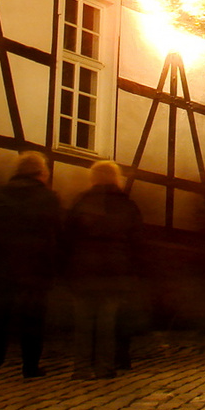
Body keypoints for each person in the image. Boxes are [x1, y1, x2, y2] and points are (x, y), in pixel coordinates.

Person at [0, 151, 61, 378]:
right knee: (33, 319)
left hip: (1, 267)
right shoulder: (48, 198)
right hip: (35, 269)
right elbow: (57, 233)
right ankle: (30, 366)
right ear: (41, 173)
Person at [64, 160, 143, 379]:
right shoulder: (126, 205)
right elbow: (137, 241)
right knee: (107, 323)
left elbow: (67, 237)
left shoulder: (81, 201)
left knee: (83, 322)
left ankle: (80, 368)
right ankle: (105, 367)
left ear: (93, 178)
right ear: (116, 178)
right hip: (114, 271)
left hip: (84, 270)